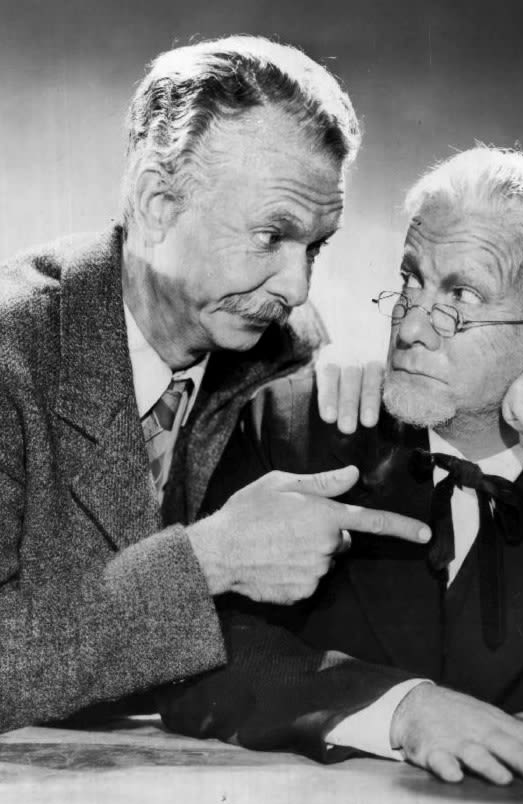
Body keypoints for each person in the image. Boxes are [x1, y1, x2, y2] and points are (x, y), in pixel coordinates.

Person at [160, 147, 523, 786]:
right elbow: (192, 657)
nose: (411, 328)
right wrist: (400, 708)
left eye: (461, 296)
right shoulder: (294, 430)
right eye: (411, 282)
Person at [0, 36, 432, 733]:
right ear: (157, 202)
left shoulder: (280, 348)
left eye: (315, 246)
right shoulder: (11, 354)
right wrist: (207, 561)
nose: (297, 288)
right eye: (270, 236)